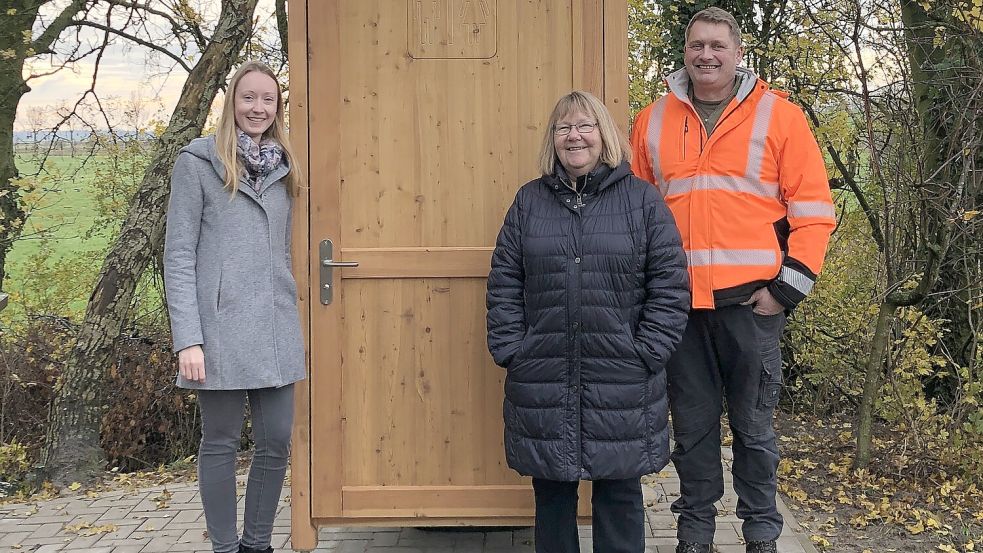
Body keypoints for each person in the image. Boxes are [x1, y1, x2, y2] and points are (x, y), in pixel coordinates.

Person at [629, 8, 837, 553]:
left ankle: (762, 534)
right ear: (685, 52)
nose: (707, 55)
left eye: (718, 45)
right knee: (692, 432)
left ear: (738, 53)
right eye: (697, 45)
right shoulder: (651, 121)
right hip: (680, 308)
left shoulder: (779, 118)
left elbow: (815, 211)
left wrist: (787, 289)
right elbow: (633, 213)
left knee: (754, 431)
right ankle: (695, 535)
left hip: (752, 305)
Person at [487, 90, 690, 553]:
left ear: (604, 135)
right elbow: (504, 281)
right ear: (553, 140)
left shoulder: (642, 202)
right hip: (543, 372)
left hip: (621, 373)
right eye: (564, 128)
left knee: (619, 492)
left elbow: (671, 285)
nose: (574, 136)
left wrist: (647, 352)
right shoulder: (529, 202)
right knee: (553, 494)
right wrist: (513, 350)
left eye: (585, 126)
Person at [163, 60, 305, 553]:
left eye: (268, 99)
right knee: (221, 443)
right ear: (232, 103)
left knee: (277, 442)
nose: (258, 108)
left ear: (278, 107)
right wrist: (189, 338)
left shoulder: (288, 166)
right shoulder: (197, 163)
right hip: (217, 331)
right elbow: (178, 256)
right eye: (249, 98)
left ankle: (257, 545)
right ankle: (225, 546)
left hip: (275, 326)